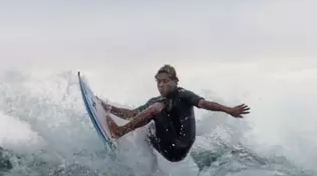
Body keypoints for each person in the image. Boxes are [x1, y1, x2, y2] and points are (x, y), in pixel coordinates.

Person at [101, 64, 250, 162]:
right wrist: (106, 107)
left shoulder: (183, 95)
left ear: (175, 81)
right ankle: (137, 159)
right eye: (158, 82)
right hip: (164, 147)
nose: (161, 85)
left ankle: (119, 132)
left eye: (165, 81)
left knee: (155, 109)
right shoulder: (156, 100)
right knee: (146, 128)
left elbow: (204, 103)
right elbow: (132, 114)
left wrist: (228, 110)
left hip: (178, 147)